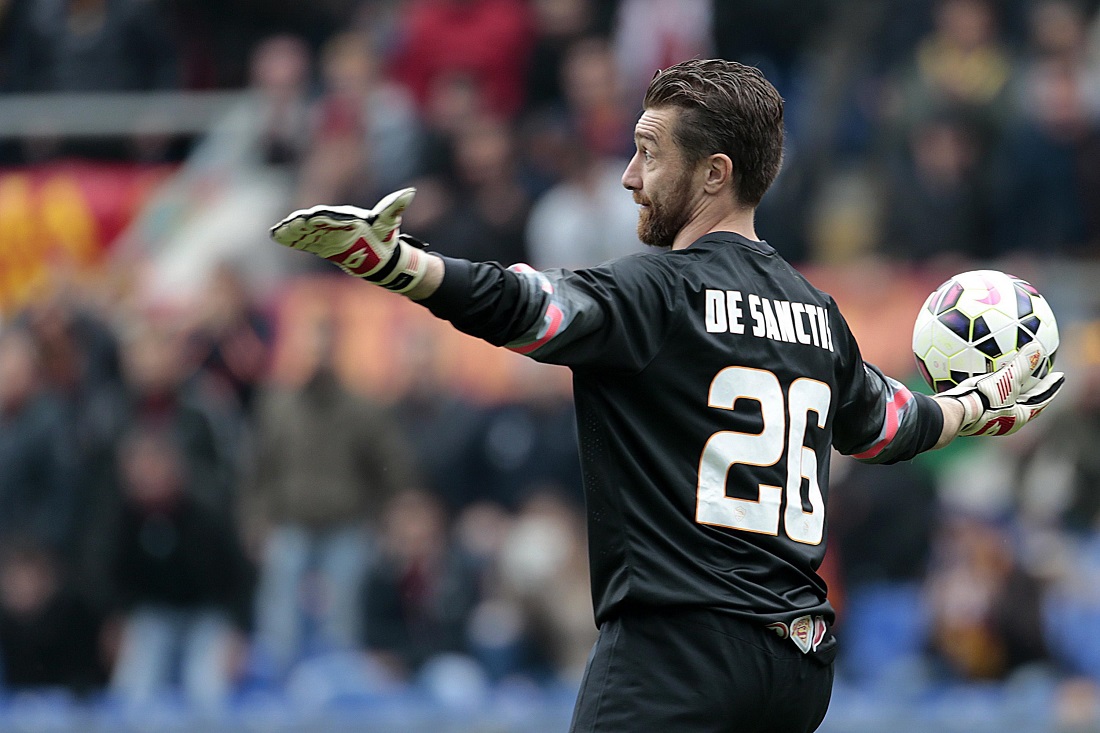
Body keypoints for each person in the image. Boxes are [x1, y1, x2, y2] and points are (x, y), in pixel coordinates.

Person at [270, 58, 1065, 732]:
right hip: (795, 668)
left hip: (676, 653)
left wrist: (396, 263)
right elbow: (888, 423)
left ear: (715, 172)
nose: (629, 175)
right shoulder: (817, 314)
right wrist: (977, 406)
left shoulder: (657, 291)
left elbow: (524, 304)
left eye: (649, 153)